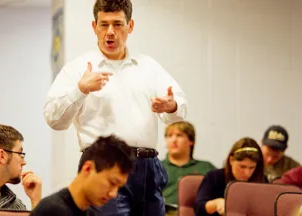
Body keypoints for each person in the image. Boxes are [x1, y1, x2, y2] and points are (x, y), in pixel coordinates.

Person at [43, 0, 187, 215]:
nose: (110, 32)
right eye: (104, 25)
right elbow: (54, 120)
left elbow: (180, 109)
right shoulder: (77, 68)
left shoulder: (148, 66)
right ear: (94, 27)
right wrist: (79, 90)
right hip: (105, 165)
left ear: (130, 26)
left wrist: (171, 105)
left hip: (148, 166)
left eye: (118, 24)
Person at [31, 135, 136, 216]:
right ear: (88, 168)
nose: (113, 194)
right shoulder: (53, 211)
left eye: (119, 187)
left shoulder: (89, 213)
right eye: (112, 183)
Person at [194, 137, 266, 216]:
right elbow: (198, 208)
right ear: (231, 160)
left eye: (252, 167)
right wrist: (216, 203)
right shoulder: (214, 177)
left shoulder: (262, 181)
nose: (247, 173)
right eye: (242, 167)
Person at [161, 122, 215, 216]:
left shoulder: (206, 168)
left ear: (191, 141)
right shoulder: (156, 167)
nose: (173, 140)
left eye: (179, 135)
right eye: (169, 136)